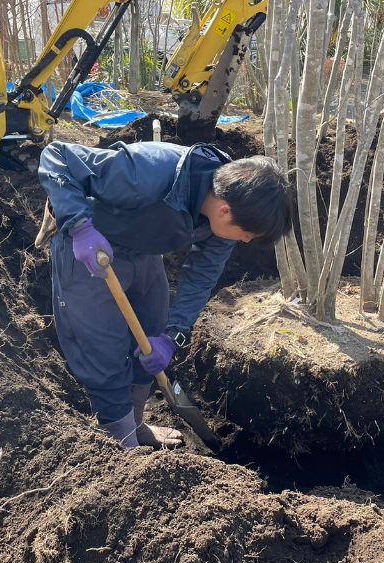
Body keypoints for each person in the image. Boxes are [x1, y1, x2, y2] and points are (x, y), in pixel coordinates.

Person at [38, 140, 293, 449]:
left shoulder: (229, 211)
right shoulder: (148, 171)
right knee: (105, 352)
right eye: (248, 236)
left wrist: (173, 336)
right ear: (225, 211)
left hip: (143, 252)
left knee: (150, 334)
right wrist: (79, 226)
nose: (247, 242)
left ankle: (135, 423)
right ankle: (122, 444)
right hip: (90, 251)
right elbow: (58, 155)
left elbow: (201, 277)